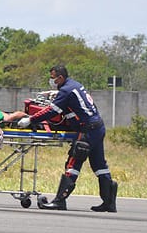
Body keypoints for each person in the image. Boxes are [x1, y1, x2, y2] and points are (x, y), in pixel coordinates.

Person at [17, 64, 118, 212]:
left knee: (73, 163)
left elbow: (52, 111)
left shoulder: (66, 90)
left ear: (60, 77)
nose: (51, 80)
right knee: (99, 166)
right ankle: (109, 202)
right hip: (98, 127)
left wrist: (31, 120)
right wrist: (54, 93)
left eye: (53, 78)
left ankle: (60, 200)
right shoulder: (75, 85)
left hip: (87, 130)